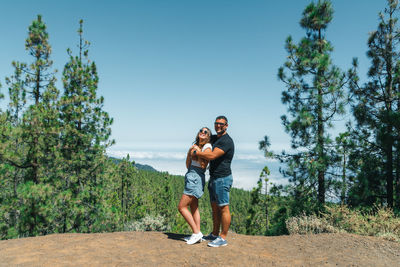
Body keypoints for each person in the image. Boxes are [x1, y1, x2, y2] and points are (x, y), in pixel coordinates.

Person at [192, 115, 234, 247]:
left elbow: (212, 155)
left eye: (221, 124)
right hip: (214, 177)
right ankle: (215, 234)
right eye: (216, 123)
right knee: (215, 208)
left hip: (222, 178)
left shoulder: (226, 141)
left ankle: (223, 237)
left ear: (226, 125)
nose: (218, 126)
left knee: (223, 207)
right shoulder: (216, 138)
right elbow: (205, 140)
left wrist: (196, 153)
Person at [178, 127, 212, 245]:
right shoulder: (195, 146)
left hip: (196, 178)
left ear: (208, 136)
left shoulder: (207, 147)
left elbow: (203, 166)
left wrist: (197, 152)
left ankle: (196, 233)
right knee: (194, 207)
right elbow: (188, 165)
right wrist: (189, 153)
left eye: (205, 132)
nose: (202, 133)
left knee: (181, 207)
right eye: (201, 131)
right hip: (191, 175)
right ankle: (198, 233)